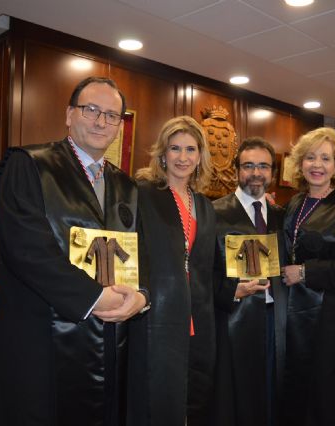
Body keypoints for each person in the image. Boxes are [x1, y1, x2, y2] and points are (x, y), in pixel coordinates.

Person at [0, 77, 148, 426]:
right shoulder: (29, 164)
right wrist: (94, 297)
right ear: (69, 115)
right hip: (40, 338)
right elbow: (27, 251)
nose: (101, 121)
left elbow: (139, 254)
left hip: (106, 340)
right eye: (91, 110)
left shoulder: (127, 186)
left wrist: (141, 295)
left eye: (112, 115)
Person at [130, 116, 216, 426]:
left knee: (190, 397)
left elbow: (206, 265)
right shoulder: (142, 194)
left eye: (190, 149)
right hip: (157, 314)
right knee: (158, 398)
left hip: (197, 315)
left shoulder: (205, 205)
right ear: (162, 154)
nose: (182, 157)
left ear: (200, 155)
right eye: (174, 148)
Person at [280, 127, 335, 426]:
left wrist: (305, 273)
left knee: (327, 389)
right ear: (300, 163)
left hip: (331, 316)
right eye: (310, 157)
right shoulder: (295, 202)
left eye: (325, 159)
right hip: (293, 315)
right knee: (296, 386)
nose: (317, 165)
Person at [211, 137, 286, 426]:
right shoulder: (214, 213)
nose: (256, 173)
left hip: (276, 320)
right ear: (236, 170)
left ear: (273, 173)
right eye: (249, 165)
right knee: (237, 400)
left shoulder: (282, 216)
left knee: (272, 392)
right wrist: (232, 291)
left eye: (263, 166)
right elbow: (203, 273)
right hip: (234, 321)